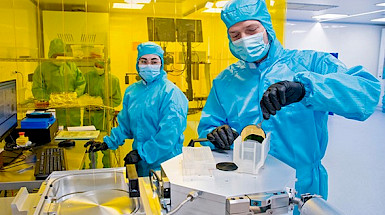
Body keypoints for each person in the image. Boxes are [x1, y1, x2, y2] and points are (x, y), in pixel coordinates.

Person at [197, 0, 380, 204]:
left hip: (301, 185)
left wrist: (305, 89)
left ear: (267, 27)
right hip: (244, 186)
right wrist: (215, 134)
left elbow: (367, 93)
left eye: (251, 30)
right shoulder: (225, 81)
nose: (245, 39)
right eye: (235, 35)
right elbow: (209, 127)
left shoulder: (311, 63)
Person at [84, 42, 188, 176]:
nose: (148, 65)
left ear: (161, 64)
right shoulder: (132, 92)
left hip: (166, 165)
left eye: (154, 61)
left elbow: (169, 135)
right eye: (143, 61)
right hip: (141, 164)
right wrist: (107, 143)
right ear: (137, 64)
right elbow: (125, 125)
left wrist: (141, 153)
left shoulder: (171, 93)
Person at [32, 38, 86, 126]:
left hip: (72, 112)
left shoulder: (71, 66)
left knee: (73, 135)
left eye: (62, 55)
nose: (59, 58)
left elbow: (81, 83)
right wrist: (51, 98)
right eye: (56, 55)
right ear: (51, 55)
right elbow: (37, 88)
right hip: (52, 112)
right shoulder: (42, 68)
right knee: (54, 133)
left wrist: (75, 94)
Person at [83, 60, 122, 168]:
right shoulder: (86, 77)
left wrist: (102, 103)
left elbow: (117, 99)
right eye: (97, 65)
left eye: (101, 65)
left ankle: (108, 169)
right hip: (89, 115)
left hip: (104, 116)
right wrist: (90, 102)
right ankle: (92, 169)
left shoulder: (113, 80)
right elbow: (81, 96)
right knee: (90, 145)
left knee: (107, 146)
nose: (99, 67)